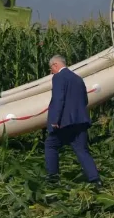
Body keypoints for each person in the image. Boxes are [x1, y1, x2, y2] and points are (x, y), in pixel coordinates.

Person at [44, 54, 102, 188]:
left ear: (55, 65)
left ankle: (53, 178)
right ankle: (95, 180)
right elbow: (85, 100)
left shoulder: (58, 77)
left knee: (50, 145)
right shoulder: (78, 78)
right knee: (82, 150)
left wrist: (54, 120)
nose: (51, 71)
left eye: (50, 68)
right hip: (81, 121)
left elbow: (58, 99)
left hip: (65, 122)